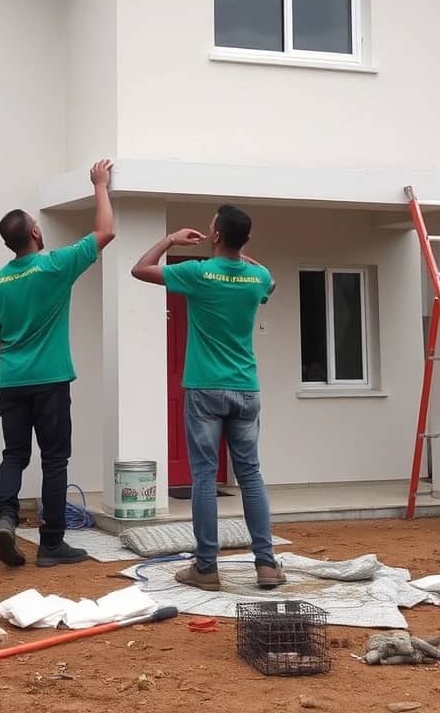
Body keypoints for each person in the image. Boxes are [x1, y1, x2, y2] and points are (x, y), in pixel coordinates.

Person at [131, 204, 285, 591]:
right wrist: (242, 257)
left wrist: (170, 239)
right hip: (246, 388)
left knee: (202, 476)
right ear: (246, 240)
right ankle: (266, 565)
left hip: (204, 387)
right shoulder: (257, 276)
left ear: (215, 236)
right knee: (250, 474)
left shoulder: (197, 273)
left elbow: (140, 269)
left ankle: (206, 567)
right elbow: (270, 284)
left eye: (211, 227)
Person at [0, 160, 115, 568]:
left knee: (14, 455)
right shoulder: (55, 265)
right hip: (51, 380)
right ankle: (52, 543)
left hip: (12, 380)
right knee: (55, 460)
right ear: (36, 233)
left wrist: (13, 365)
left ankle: (5, 518)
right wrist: (100, 185)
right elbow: (105, 231)